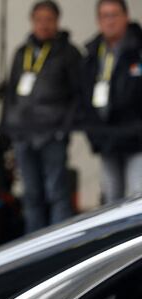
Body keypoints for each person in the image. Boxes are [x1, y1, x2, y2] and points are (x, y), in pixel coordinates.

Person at [2, 0, 81, 233]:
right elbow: (11, 91)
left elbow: (78, 95)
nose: (44, 25)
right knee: (31, 194)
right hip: (24, 133)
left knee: (56, 192)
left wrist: (64, 128)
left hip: (52, 133)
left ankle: (60, 246)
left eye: (49, 20)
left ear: (57, 22)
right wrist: (8, 127)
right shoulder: (22, 52)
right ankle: (34, 247)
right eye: (39, 20)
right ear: (32, 22)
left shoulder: (68, 52)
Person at [82, 0, 142, 203]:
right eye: (104, 16)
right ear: (98, 21)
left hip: (137, 138)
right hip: (107, 137)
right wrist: (93, 132)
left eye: (114, 15)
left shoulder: (137, 49)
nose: (110, 21)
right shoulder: (92, 52)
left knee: (137, 197)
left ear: (126, 16)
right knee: (111, 200)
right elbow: (84, 95)